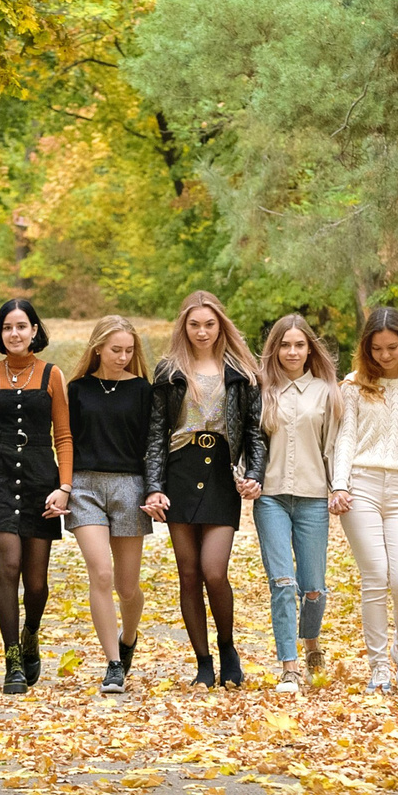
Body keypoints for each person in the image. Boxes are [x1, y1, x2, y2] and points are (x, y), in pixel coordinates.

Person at [144, 291, 266, 688]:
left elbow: (254, 431)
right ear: (184, 326)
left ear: (220, 325)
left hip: (221, 475)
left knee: (214, 571)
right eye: (194, 324)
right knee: (188, 573)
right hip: (180, 471)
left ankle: (227, 647)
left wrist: (255, 473)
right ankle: (203, 661)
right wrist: (153, 487)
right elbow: (156, 434)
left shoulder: (241, 371)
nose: (202, 332)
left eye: (209, 324)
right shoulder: (169, 371)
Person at [0, 297, 73, 695]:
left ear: (34, 331)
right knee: (8, 564)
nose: (14, 333)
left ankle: (30, 633)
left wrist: (64, 487)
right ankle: (12, 660)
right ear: (0, 332)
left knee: (37, 581)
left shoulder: (52, 374)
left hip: (41, 477)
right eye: (8, 327)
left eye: (22, 326)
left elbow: (64, 436)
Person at [330, 306, 398, 693]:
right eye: (376, 349)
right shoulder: (354, 385)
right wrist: (339, 485)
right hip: (361, 484)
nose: (384, 355)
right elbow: (346, 436)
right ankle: (378, 665)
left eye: (392, 347)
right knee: (375, 576)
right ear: (367, 348)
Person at [66, 316, 153, 695]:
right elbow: (65, 441)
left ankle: (128, 637)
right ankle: (114, 664)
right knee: (101, 574)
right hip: (84, 487)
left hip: (130, 487)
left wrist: (154, 489)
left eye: (129, 351)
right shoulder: (77, 389)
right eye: (116, 349)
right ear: (98, 348)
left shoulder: (143, 390)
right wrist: (63, 486)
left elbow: (152, 446)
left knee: (127, 587)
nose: (122, 356)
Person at [253, 314, 341, 693]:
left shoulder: (326, 392)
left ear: (309, 349)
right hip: (270, 497)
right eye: (285, 345)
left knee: (313, 589)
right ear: (275, 349)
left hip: (313, 498)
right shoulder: (261, 391)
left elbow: (333, 446)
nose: (292, 352)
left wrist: (339, 488)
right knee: (283, 583)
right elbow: (250, 442)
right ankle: (289, 667)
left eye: (299, 345)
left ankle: (312, 644)